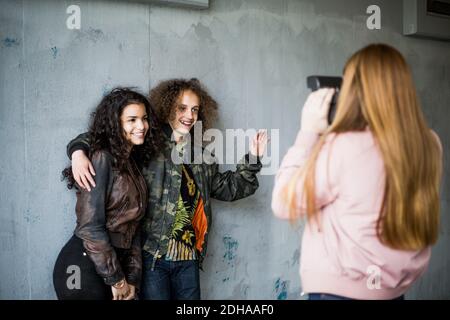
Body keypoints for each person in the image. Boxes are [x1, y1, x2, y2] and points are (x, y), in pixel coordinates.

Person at [65, 78, 268, 300]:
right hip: (152, 257)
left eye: (195, 109)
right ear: (167, 106)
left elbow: (229, 188)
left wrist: (253, 158)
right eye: (182, 108)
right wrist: (78, 151)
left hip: (189, 259)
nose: (189, 115)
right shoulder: (147, 142)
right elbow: (107, 135)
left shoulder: (202, 157)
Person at [272, 44, 443, 300]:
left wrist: (307, 134)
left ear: (355, 91)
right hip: (393, 292)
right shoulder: (429, 144)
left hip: (338, 293)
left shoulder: (343, 145)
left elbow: (284, 203)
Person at [53, 88, 161, 300]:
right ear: (115, 123)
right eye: (132, 120)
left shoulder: (132, 162)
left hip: (112, 268)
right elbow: (90, 227)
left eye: (144, 118)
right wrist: (116, 279)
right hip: (82, 268)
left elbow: (134, 228)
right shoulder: (102, 158)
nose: (141, 126)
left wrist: (131, 279)